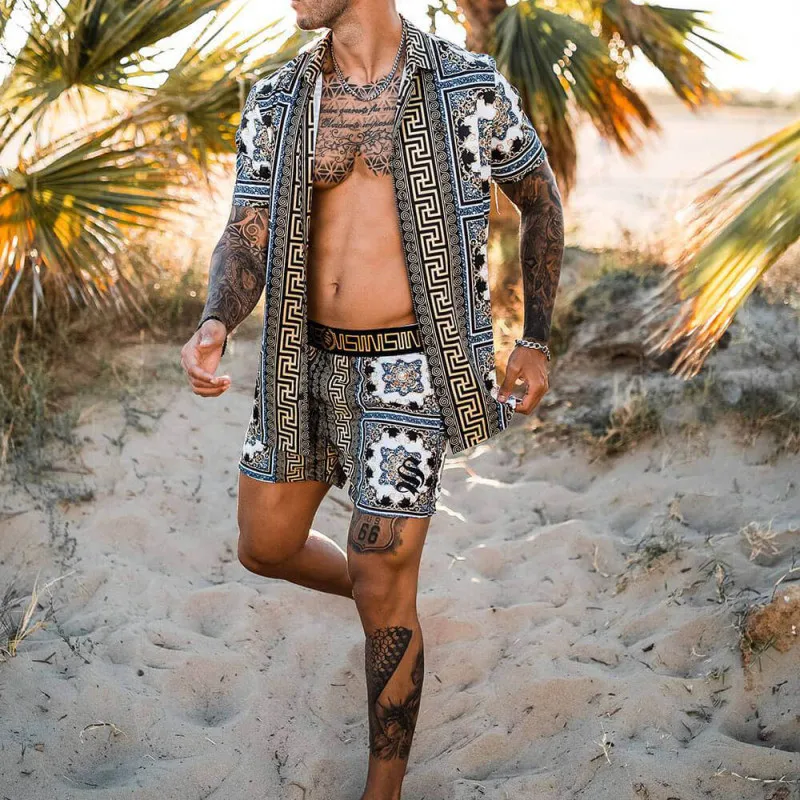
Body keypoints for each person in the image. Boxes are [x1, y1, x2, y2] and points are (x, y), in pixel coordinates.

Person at [180, 1, 564, 797]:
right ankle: (380, 591)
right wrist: (216, 320)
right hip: (300, 362)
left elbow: (540, 197)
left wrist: (535, 336)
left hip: (409, 368)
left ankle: (381, 789)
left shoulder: (465, 85)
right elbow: (247, 229)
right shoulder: (279, 98)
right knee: (264, 546)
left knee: (382, 567)